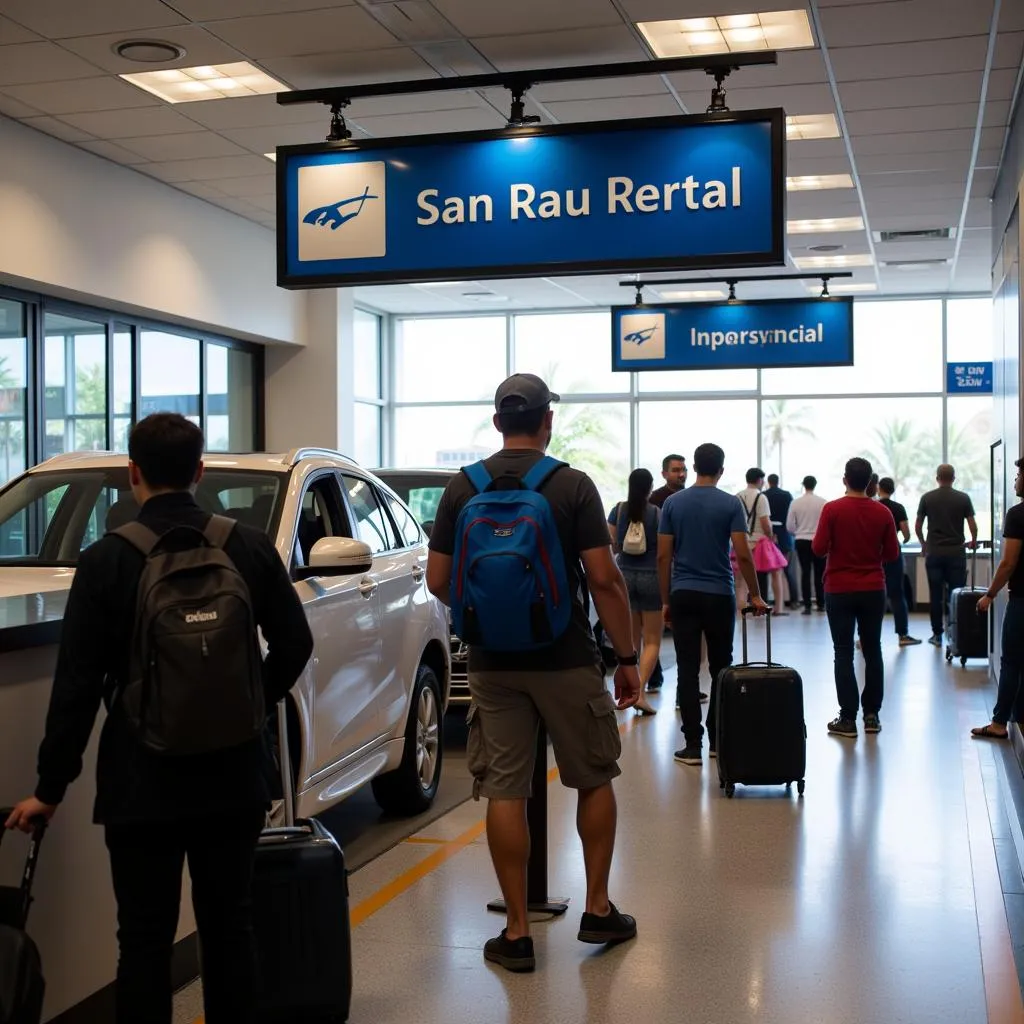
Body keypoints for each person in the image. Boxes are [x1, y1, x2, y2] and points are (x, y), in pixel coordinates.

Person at [4, 414, 314, 1024]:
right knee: (230, 929)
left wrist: (49, 789)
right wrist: (250, 711)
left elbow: (75, 687)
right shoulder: (245, 546)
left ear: (132, 474)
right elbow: (296, 645)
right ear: (199, 472)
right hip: (233, 776)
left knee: (143, 940)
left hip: (142, 780)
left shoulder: (105, 562)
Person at [426, 373, 640, 973]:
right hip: (567, 657)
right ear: (548, 421)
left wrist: (486, 616)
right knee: (593, 777)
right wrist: (627, 660)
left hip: (494, 664)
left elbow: (438, 582)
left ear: (498, 422)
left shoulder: (460, 489)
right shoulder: (571, 485)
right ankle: (597, 908)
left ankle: (517, 932)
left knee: (504, 789)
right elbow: (603, 578)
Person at [658, 443, 767, 766]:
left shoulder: (673, 504)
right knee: (722, 668)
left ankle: (693, 745)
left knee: (688, 668)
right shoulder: (730, 503)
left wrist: (666, 599)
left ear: (693, 467)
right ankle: (719, 740)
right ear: (721, 470)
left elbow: (664, 555)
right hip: (719, 593)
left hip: (684, 594)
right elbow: (742, 552)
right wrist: (756, 594)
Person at [812, 457, 899, 738]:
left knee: (843, 651)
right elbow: (892, 554)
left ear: (844, 479)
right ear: (871, 482)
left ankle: (848, 718)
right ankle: (871, 715)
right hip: (873, 588)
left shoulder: (832, 509)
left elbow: (818, 547)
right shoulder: (882, 512)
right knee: (873, 649)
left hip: (839, 588)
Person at [971, 459, 1024, 740]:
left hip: (1022, 601)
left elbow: (1008, 563)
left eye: (1019, 474)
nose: (1016, 480)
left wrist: (989, 595)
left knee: (1012, 661)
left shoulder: (1017, 515)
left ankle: (1000, 722)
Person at [608, 468, 661, 715]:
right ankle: (639, 692)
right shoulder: (657, 514)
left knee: (633, 639)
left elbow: (611, 544)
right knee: (652, 640)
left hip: (625, 575)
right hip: (651, 576)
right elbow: (663, 550)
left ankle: (629, 689)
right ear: (650, 488)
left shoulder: (618, 510)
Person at [916, 464, 978, 647]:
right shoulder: (963, 498)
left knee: (935, 596)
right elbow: (972, 524)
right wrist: (973, 540)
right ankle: (955, 632)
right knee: (955, 594)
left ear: (937, 478)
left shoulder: (927, 498)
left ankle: (937, 635)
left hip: (934, 553)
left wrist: (923, 544)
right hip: (956, 553)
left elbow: (918, 525)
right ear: (954, 478)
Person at [735, 468, 789, 615]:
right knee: (776, 572)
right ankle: (778, 608)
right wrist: (771, 536)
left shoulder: (737, 496)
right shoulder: (761, 497)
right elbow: (765, 522)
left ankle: (741, 610)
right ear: (759, 480)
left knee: (741, 579)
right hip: (761, 542)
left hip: (743, 542)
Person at [877, 477, 922, 646]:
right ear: (893, 490)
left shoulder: (875, 506)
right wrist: (901, 541)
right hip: (893, 552)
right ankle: (903, 635)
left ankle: (864, 637)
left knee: (873, 595)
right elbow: (907, 533)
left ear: (878, 488)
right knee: (897, 594)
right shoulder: (897, 508)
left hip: (875, 553)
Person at [787, 476, 827, 615]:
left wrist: (798, 532)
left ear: (803, 485)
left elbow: (790, 526)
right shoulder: (822, 502)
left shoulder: (795, 503)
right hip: (818, 539)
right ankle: (822, 603)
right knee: (820, 573)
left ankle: (807, 606)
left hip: (801, 540)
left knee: (805, 572)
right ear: (815, 485)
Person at [765, 473, 798, 608]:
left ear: (768, 482)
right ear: (778, 482)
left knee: (764, 571)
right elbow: (791, 517)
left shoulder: (763, 495)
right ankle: (794, 601)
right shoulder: (787, 495)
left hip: (768, 536)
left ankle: (763, 599)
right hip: (784, 536)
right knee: (788, 570)